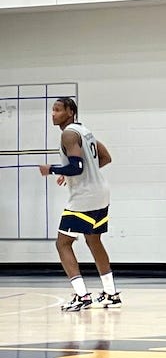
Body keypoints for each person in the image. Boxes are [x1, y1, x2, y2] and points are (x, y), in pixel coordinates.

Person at [37, 96, 120, 311]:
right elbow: (105, 157)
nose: (53, 114)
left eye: (57, 110)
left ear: (70, 112)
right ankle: (111, 293)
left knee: (63, 243)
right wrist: (77, 176)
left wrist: (53, 170)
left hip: (84, 197)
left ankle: (82, 296)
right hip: (101, 192)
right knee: (94, 241)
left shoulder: (68, 134)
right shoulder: (85, 131)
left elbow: (77, 167)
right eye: (52, 110)